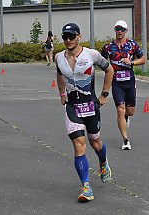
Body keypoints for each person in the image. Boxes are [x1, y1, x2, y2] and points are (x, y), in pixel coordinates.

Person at [55, 23, 114, 202]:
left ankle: (103, 163)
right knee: (79, 146)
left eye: (71, 36)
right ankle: (86, 187)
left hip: (90, 106)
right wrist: (62, 94)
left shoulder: (92, 54)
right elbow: (59, 75)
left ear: (79, 36)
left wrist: (104, 94)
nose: (68, 40)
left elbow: (109, 69)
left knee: (95, 143)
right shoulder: (59, 57)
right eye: (65, 37)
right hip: (72, 108)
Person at [101, 20, 145, 150]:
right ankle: (125, 140)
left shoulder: (132, 45)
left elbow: (143, 60)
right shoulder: (108, 47)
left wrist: (131, 62)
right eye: (117, 29)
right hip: (116, 83)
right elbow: (102, 62)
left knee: (130, 112)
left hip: (129, 81)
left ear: (126, 31)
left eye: (122, 29)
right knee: (120, 109)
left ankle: (127, 116)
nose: (119, 31)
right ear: (114, 30)